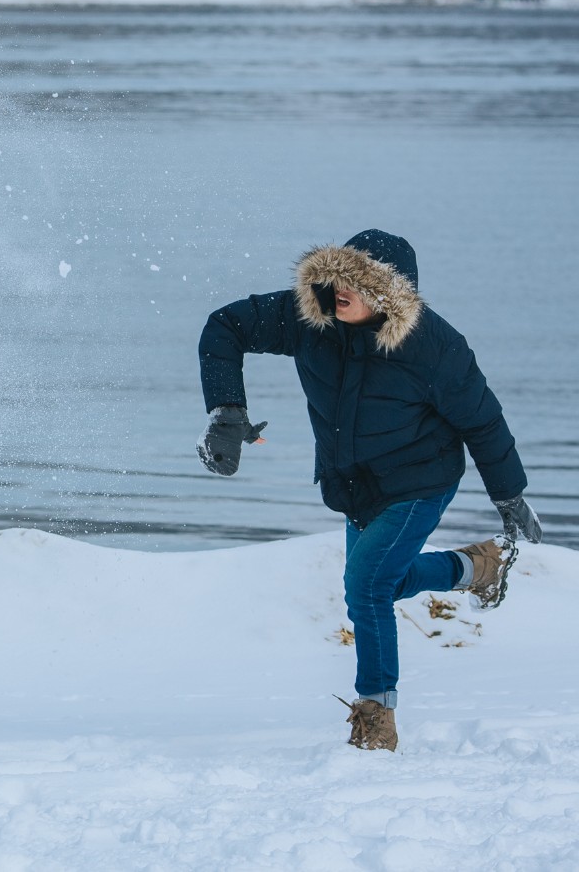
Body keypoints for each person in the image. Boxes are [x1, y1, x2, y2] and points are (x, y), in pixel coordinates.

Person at [196, 229, 542, 753]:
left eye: (358, 283)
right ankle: (476, 569)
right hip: (353, 484)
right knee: (383, 582)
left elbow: (484, 423)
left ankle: (377, 717)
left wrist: (510, 495)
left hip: (419, 483)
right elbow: (225, 326)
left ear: (390, 295)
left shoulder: (435, 347)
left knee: (366, 588)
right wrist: (227, 412)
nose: (339, 290)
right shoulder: (308, 318)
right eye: (338, 277)